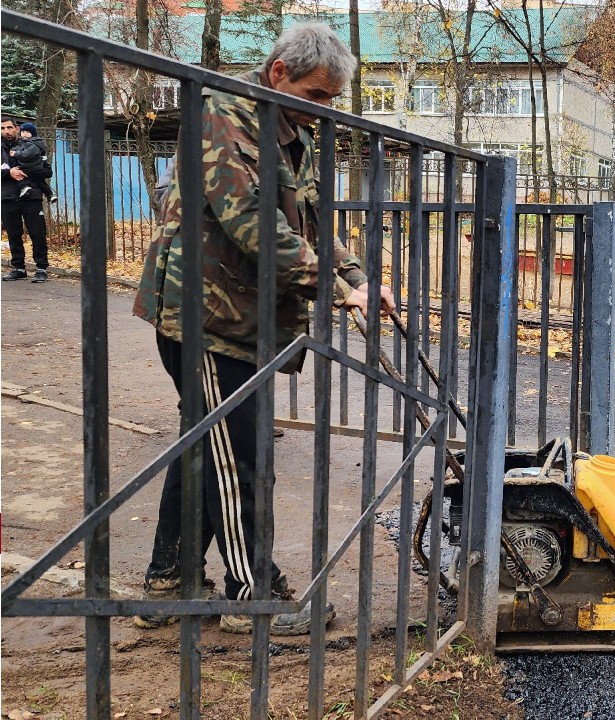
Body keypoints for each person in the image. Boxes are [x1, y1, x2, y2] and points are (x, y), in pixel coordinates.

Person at [132, 22, 396, 635]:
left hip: (244, 320)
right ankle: (255, 597)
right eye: (316, 96)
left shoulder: (288, 131)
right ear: (279, 72)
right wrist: (334, 288)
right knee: (240, 460)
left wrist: (356, 276)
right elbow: (252, 224)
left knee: (207, 446)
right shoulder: (224, 117)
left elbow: (311, 223)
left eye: (331, 101)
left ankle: (167, 582)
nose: (322, 112)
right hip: (206, 319)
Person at [1, 117, 50, 283]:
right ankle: (19, 268)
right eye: (2, 128)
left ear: (17, 128)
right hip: (7, 196)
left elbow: (47, 172)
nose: (6, 131)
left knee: (37, 232)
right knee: (14, 234)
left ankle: (41, 268)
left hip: (31, 195)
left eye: (9, 127)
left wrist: (24, 171)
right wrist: (9, 173)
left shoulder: (31, 145)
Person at [12, 122, 57, 204]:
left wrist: (15, 153)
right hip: (36, 166)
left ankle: (25, 187)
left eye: (27, 132)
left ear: (32, 134)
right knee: (40, 181)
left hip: (30, 166)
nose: (24, 134)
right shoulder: (26, 142)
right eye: (23, 132)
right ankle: (50, 194)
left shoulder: (32, 143)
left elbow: (26, 155)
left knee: (20, 174)